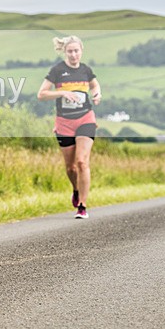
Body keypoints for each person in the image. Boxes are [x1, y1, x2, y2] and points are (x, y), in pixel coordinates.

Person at [37, 36, 102, 219]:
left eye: (76, 51)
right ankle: (75, 189)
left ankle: (82, 205)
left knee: (82, 162)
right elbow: (41, 94)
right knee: (71, 168)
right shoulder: (57, 70)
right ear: (65, 52)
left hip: (86, 119)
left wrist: (97, 95)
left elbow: (95, 85)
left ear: (81, 51)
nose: (74, 55)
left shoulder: (86, 70)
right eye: (70, 51)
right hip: (64, 122)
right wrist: (63, 92)